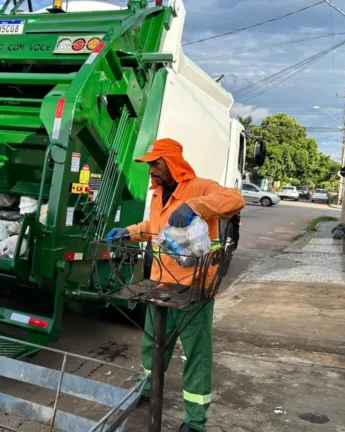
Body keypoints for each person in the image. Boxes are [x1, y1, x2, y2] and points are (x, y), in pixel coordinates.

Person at [105, 138, 245, 432]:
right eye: (149, 165)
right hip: (161, 285)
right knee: (152, 346)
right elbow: (153, 229)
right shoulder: (158, 195)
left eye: (155, 164)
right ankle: (146, 390)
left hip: (195, 290)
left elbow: (234, 200)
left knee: (196, 354)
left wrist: (195, 206)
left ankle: (195, 421)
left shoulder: (199, 187)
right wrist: (127, 232)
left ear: (171, 163)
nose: (151, 171)